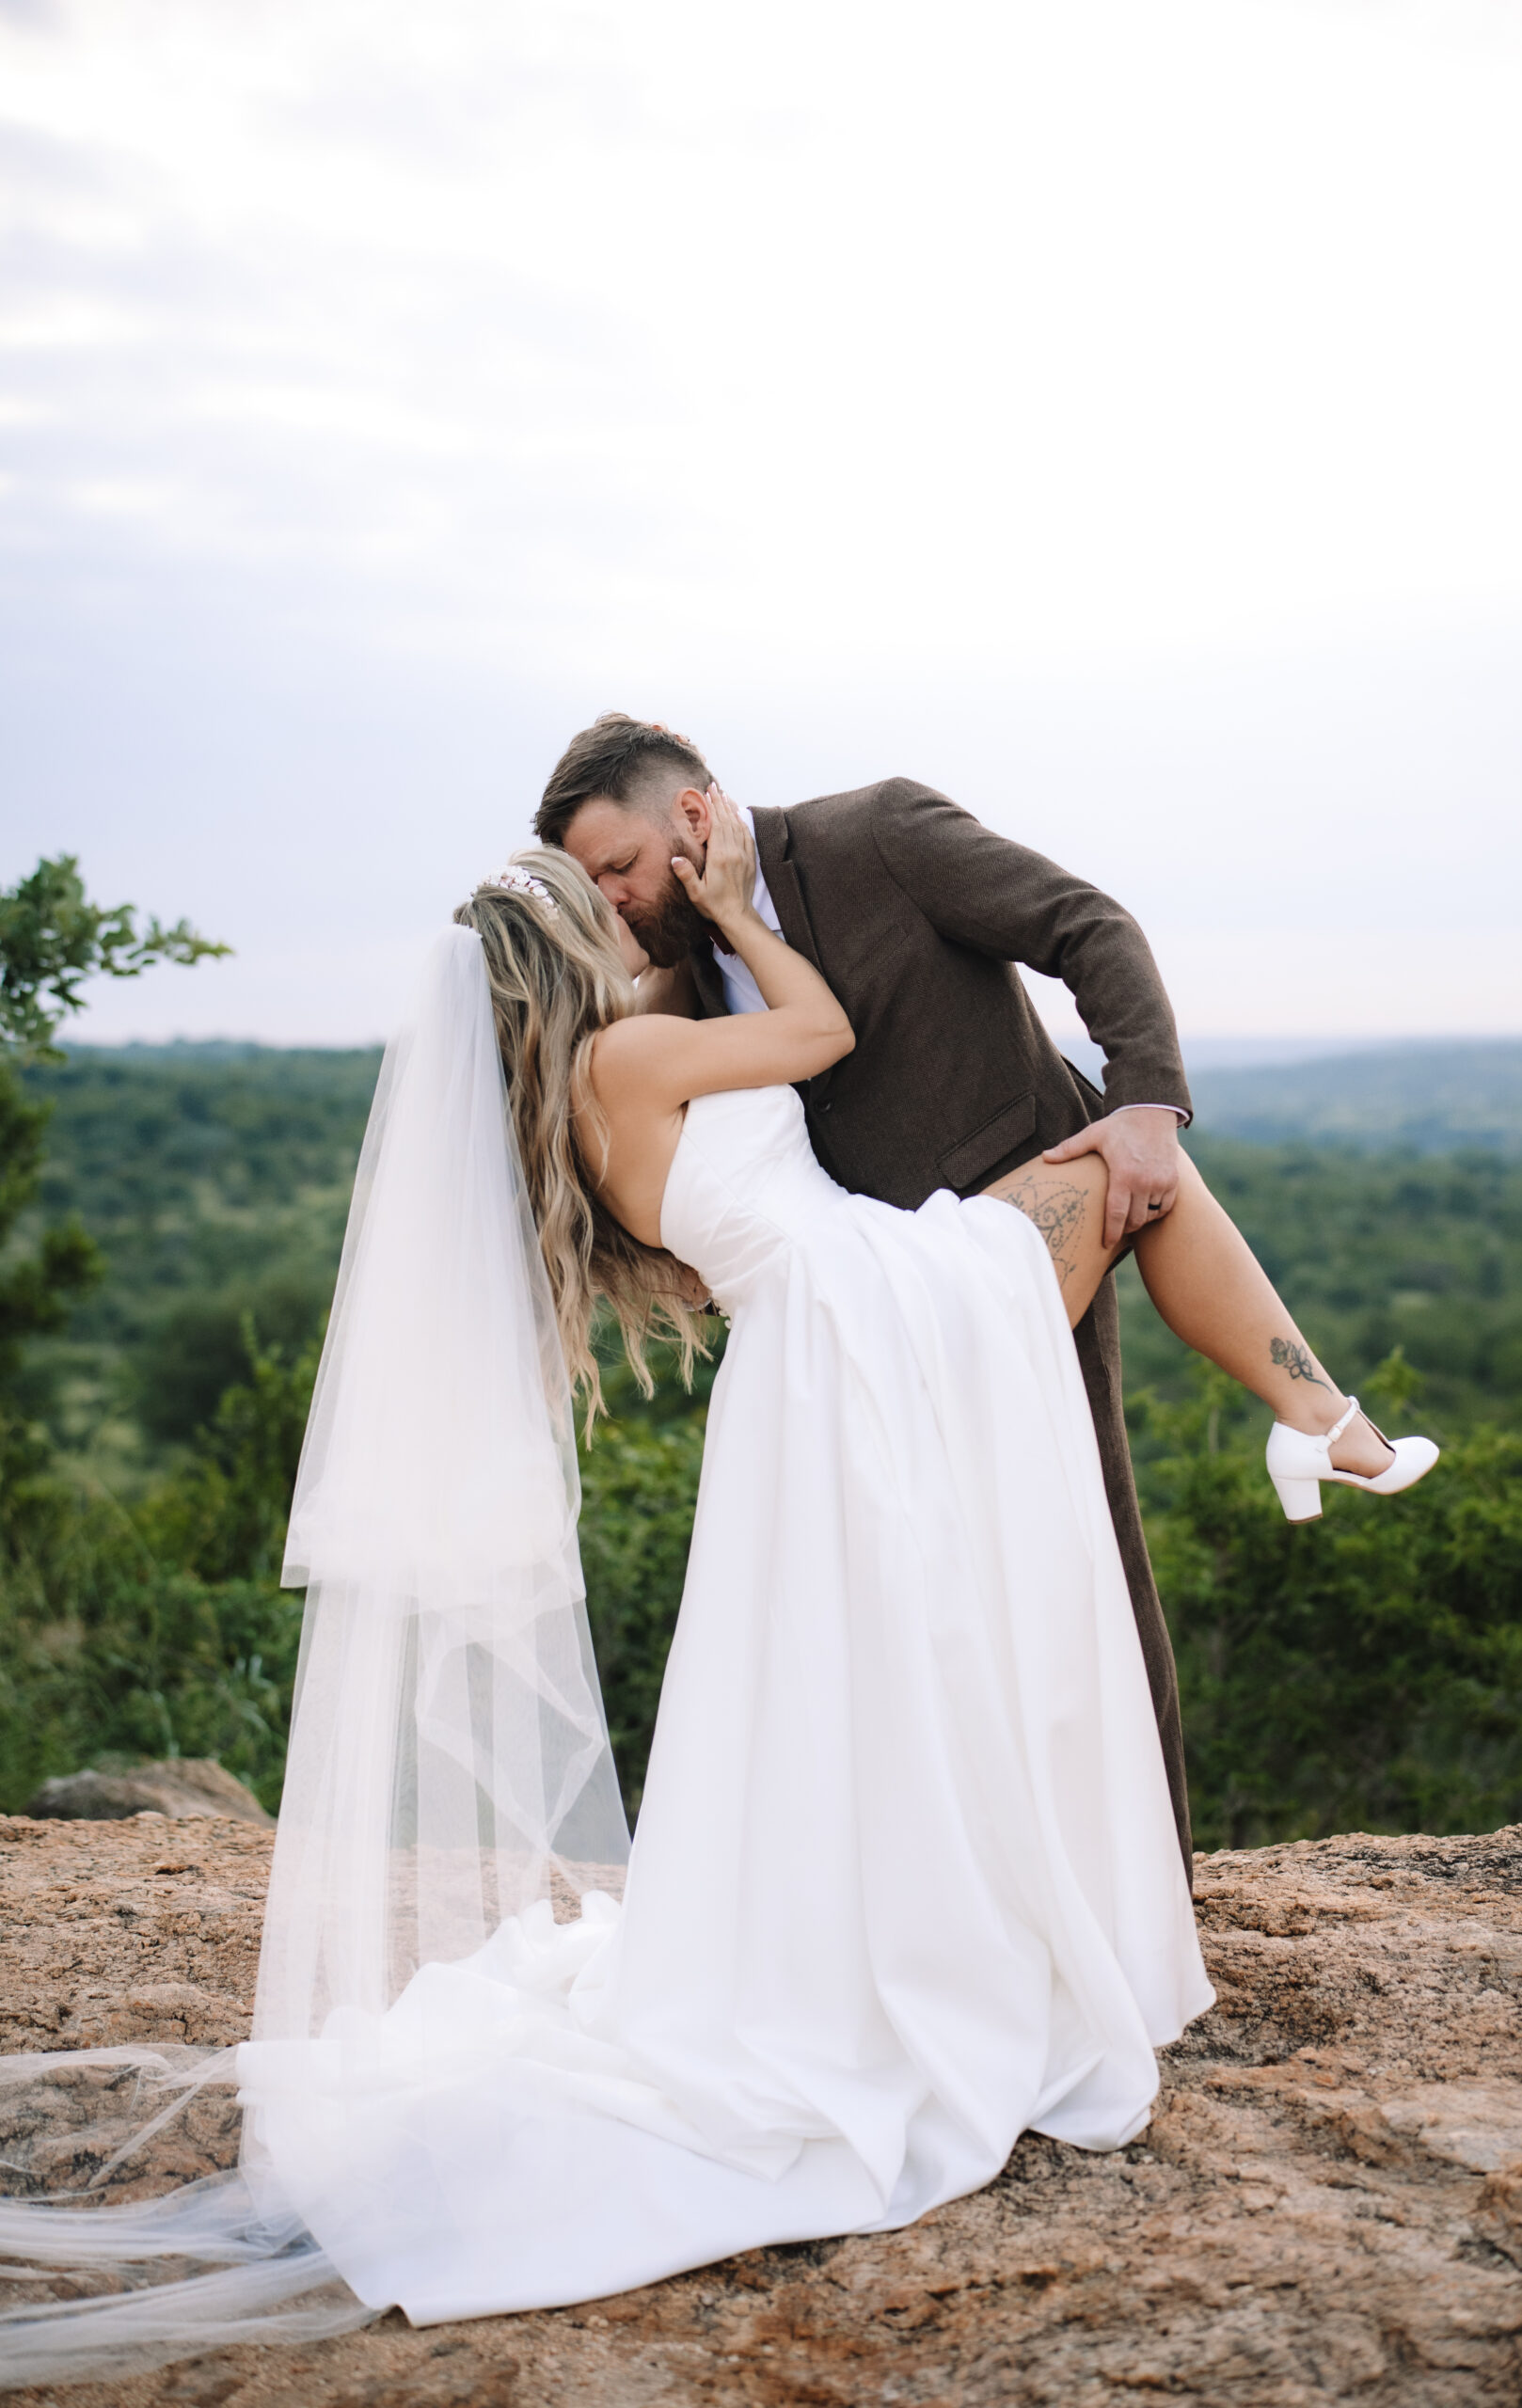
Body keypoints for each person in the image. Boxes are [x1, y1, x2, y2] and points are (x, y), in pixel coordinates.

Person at [0, 801, 1435, 2388]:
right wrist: (744, 911)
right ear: (569, 952)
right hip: (866, 1328)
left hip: (813, 1363)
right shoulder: (630, 1064)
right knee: (1122, 1152)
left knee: (904, 1630)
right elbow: (819, 1030)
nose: (637, 911)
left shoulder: (586, 1100)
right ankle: (1319, 1426)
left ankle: (1316, 1432)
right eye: (605, 899)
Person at [540, 717, 1431, 1862]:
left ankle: (1150, 1879)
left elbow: (1087, 925)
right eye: (591, 883)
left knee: (1088, 1563)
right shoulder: (664, 994)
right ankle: (955, 1891)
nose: (611, 898)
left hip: (1018, 1251)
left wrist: (1149, 1103)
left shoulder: (880, 833)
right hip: (867, 1325)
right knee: (921, 1629)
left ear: (695, 818)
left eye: (619, 867)